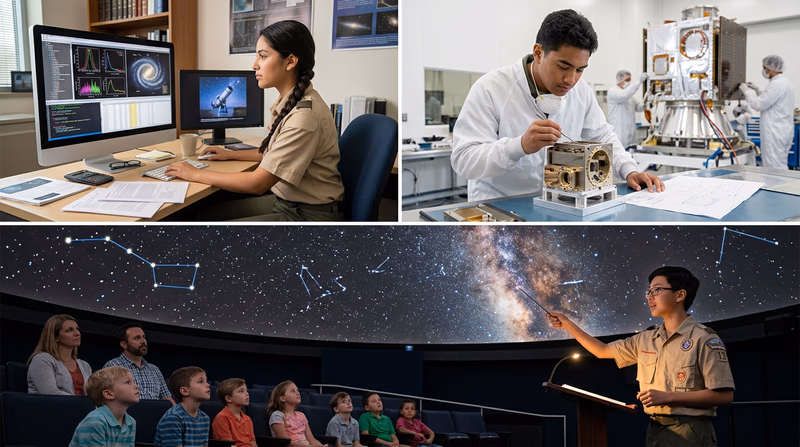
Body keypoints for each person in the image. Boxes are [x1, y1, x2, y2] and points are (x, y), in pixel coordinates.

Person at [451, 9, 664, 202]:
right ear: (538, 52)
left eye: (580, 70)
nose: (571, 79)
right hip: (500, 204)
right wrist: (519, 146)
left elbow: (603, 137)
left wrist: (629, 170)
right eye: (563, 66)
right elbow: (463, 160)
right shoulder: (492, 88)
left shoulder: (580, 92)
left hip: (557, 203)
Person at [166, 20, 345, 221]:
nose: (254, 64)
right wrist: (229, 155)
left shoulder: (304, 117)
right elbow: (274, 155)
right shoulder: (292, 102)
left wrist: (195, 174)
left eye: (263, 56)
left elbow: (257, 183)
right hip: (286, 202)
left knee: (210, 227)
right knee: (207, 214)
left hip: (307, 215)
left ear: (291, 61)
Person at [548, 266, 735, 446]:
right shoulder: (646, 339)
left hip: (691, 431)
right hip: (655, 429)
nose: (649, 296)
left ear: (680, 295)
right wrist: (567, 325)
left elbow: (724, 396)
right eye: (649, 291)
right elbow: (602, 351)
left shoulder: (704, 338)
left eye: (657, 290)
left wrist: (668, 397)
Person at [738, 55, 795, 170]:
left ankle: (776, 187)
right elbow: (770, 100)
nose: (763, 70)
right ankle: (781, 186)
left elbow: (758, 104)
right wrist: (758, 90)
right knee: (780, 164)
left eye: (764, 67)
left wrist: (747, 92)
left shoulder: (777, 84)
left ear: (772, 67)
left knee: (773, 167)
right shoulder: (785, 82)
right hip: (783, 130)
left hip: (774, 132)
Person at [104, 322, 175, 405]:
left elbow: (167, 398)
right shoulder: (113, 366)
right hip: (126, 415)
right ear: (124, 344)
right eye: (137, 338)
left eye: (144, 337)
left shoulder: (154, 369)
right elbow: (105, 400)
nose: (143, 341)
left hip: (155, 415)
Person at [69, 366, 139, 447]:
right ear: (109, 394)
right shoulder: (95, 422)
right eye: (127, 382)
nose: (136, 386)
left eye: (133, 381)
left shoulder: (131, 422)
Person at [27, 314, 92, 395]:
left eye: (77, 329)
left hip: (82, 406)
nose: (77, 333)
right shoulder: (42, 359)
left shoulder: (85, 365)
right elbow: (50, 393)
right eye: (69, 330)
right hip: (52, 407)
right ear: (55, 337)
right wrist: (81, 403)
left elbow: (91, 394)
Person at [155, 366, 211, 447]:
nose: (208, 385)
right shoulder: (173, 418)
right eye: (201, 381)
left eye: (206, 381)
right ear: (184, 391)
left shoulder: (205, 418)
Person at [268, 381, 326, 447]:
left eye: (297, 390)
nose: (298, 393)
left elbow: (312, 440)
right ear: (282, 398)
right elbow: (286, 442)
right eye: (293, 391)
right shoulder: (277, 416)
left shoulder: (301, 415)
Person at [607, 70, 648, 148]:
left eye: (630, 80)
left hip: (631, 138)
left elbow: (639, 108)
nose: (629, 82)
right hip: (619, 137)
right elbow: (624, 95)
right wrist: (639, 82)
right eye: (627, 80)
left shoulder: (630, 97)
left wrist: (648, 103)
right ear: (620, 79)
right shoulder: (613, 92)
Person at [212, 378, 257, 447]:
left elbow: (253, 443)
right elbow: (228, 445)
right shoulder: (222, 418)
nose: (247, 394)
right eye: (241, 391)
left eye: (246, 390)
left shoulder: (247, 419)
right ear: (229, 398)